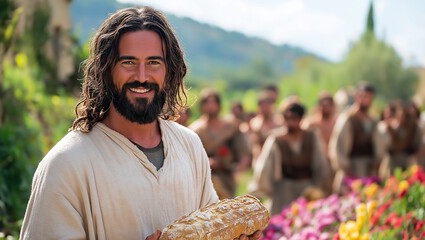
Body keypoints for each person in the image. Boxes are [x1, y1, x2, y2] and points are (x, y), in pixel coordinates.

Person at [20, 7, 261, 240]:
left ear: (170, 71)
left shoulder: (189, 146)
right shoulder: (66, 164)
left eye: (154, 62)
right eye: (128, 62)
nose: (142, 76)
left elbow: (209, 229)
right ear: (106, 70)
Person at [248, 102, 331, 215]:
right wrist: (259, 192)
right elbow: (265, 168)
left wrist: (321, 188)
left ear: (301, 119)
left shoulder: (312, 137)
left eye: (294, 118)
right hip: (284, 190)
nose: (290, 121)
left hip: (307, 189)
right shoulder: (276, 139)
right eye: (287, 118)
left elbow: (321, 165)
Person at [189, 89, 252, 200]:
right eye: (207, 102)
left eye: (213, 102)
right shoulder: (195, 130)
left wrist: (237, 171)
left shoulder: (231, 127)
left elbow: (244, 153)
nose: (210, 106)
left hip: (227, 177)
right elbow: (190, 158)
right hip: (204, 179)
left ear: (219, 105)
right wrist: (207, 162)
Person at [329, 83, 386, 193]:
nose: (366, 100)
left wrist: (376, 163)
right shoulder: (347, 119)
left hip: (369, 171)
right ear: (357, 97)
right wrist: (345, 166)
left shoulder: (373, 121)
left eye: (369, 98)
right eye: (363, 96)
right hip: (351, 169)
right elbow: (337, 146)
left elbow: (379, 147)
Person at [249, 90, 283, 168]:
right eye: (262, 106)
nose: (265, 108)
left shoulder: (279, 121)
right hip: (260, 155)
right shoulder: (255, 123)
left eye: (267, 105)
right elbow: (254, 142)